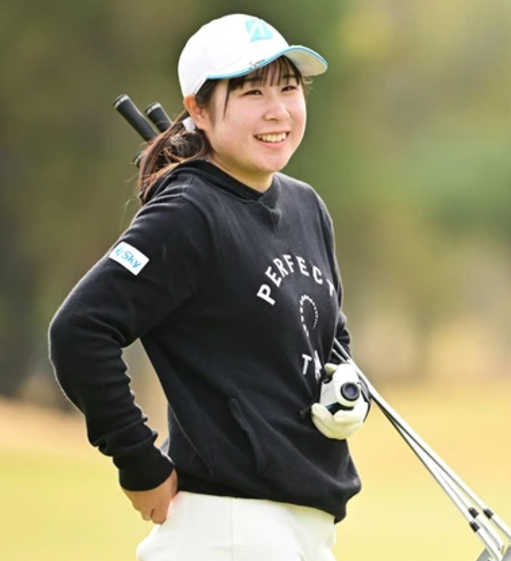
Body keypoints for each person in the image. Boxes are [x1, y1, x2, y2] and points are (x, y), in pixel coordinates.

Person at [48, 13, 369, 561]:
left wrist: (343, 386)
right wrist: (139, 459)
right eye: (251, 93)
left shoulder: (305, 206)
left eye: (289, 88)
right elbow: (81, 330)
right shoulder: (189, 211)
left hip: (304, 529)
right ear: (196, 109)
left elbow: (327, 337)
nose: (278, 110)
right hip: (229, 529)